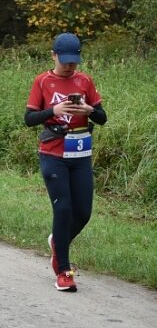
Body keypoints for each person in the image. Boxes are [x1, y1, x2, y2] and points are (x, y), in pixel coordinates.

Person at [25, 33, 107, 292]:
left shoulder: (85, 81)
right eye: (65, 61)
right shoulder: (43, 81)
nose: (70, 66)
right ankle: (64, 270)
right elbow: (29, 118)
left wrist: (89, 111)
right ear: (53, 55)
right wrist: (54, 111)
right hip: (53, 153)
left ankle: (57, 243)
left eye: (74, 61)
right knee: (63, 209)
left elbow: (103, 118)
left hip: (80, 153)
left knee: (82, 212)